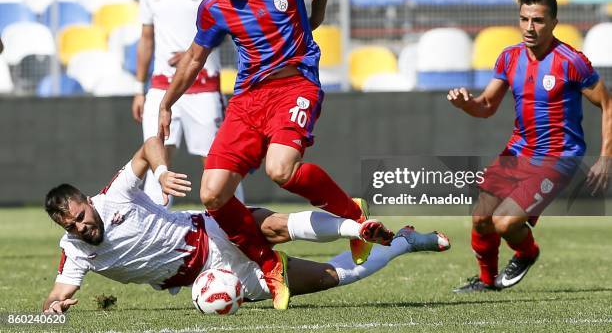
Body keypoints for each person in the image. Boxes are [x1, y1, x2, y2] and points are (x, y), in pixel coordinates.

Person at [156, 0, 386, 309]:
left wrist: (318, 9)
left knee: (281, 170)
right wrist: (166, 103)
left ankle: (351, 213)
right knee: (212, 194)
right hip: (247, 100)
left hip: (296, 86)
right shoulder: (213, 6)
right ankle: (269, 265)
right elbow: (195, 58)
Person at [42, 136, 450, 314]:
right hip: (212, 275)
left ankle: (353, 226)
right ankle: (403, 243)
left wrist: (162, 170)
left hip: (212, 230)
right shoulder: (75, 250)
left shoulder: (114, 195)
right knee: (333, 276)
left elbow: (151, 144)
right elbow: (55, 297)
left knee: (274, 226)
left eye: (82, 216)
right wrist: (53, 310)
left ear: (86, 201)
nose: (82, 227)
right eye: (73, 225)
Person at [448, 0, 611, 292]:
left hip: (558, 157)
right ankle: (486, 283)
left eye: (537, 20)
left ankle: (527, 252)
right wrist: (465, 104)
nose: (528, 27)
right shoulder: (509, 57)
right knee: (482, 217)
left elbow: (608, 103)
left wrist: (605, 157)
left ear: (553, 23)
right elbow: (486, 107)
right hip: (519, 151)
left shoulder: (571, 62)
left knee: (505, 223)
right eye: (523, 19)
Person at [131, 0, 243, 206]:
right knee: (158, 160)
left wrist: (195, 52)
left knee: (217, 162)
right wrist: (138, 88)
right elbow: (146, 39)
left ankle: (238, 229)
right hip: (160, 87)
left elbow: (229, 27)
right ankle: (155, 233)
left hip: (203, 86)